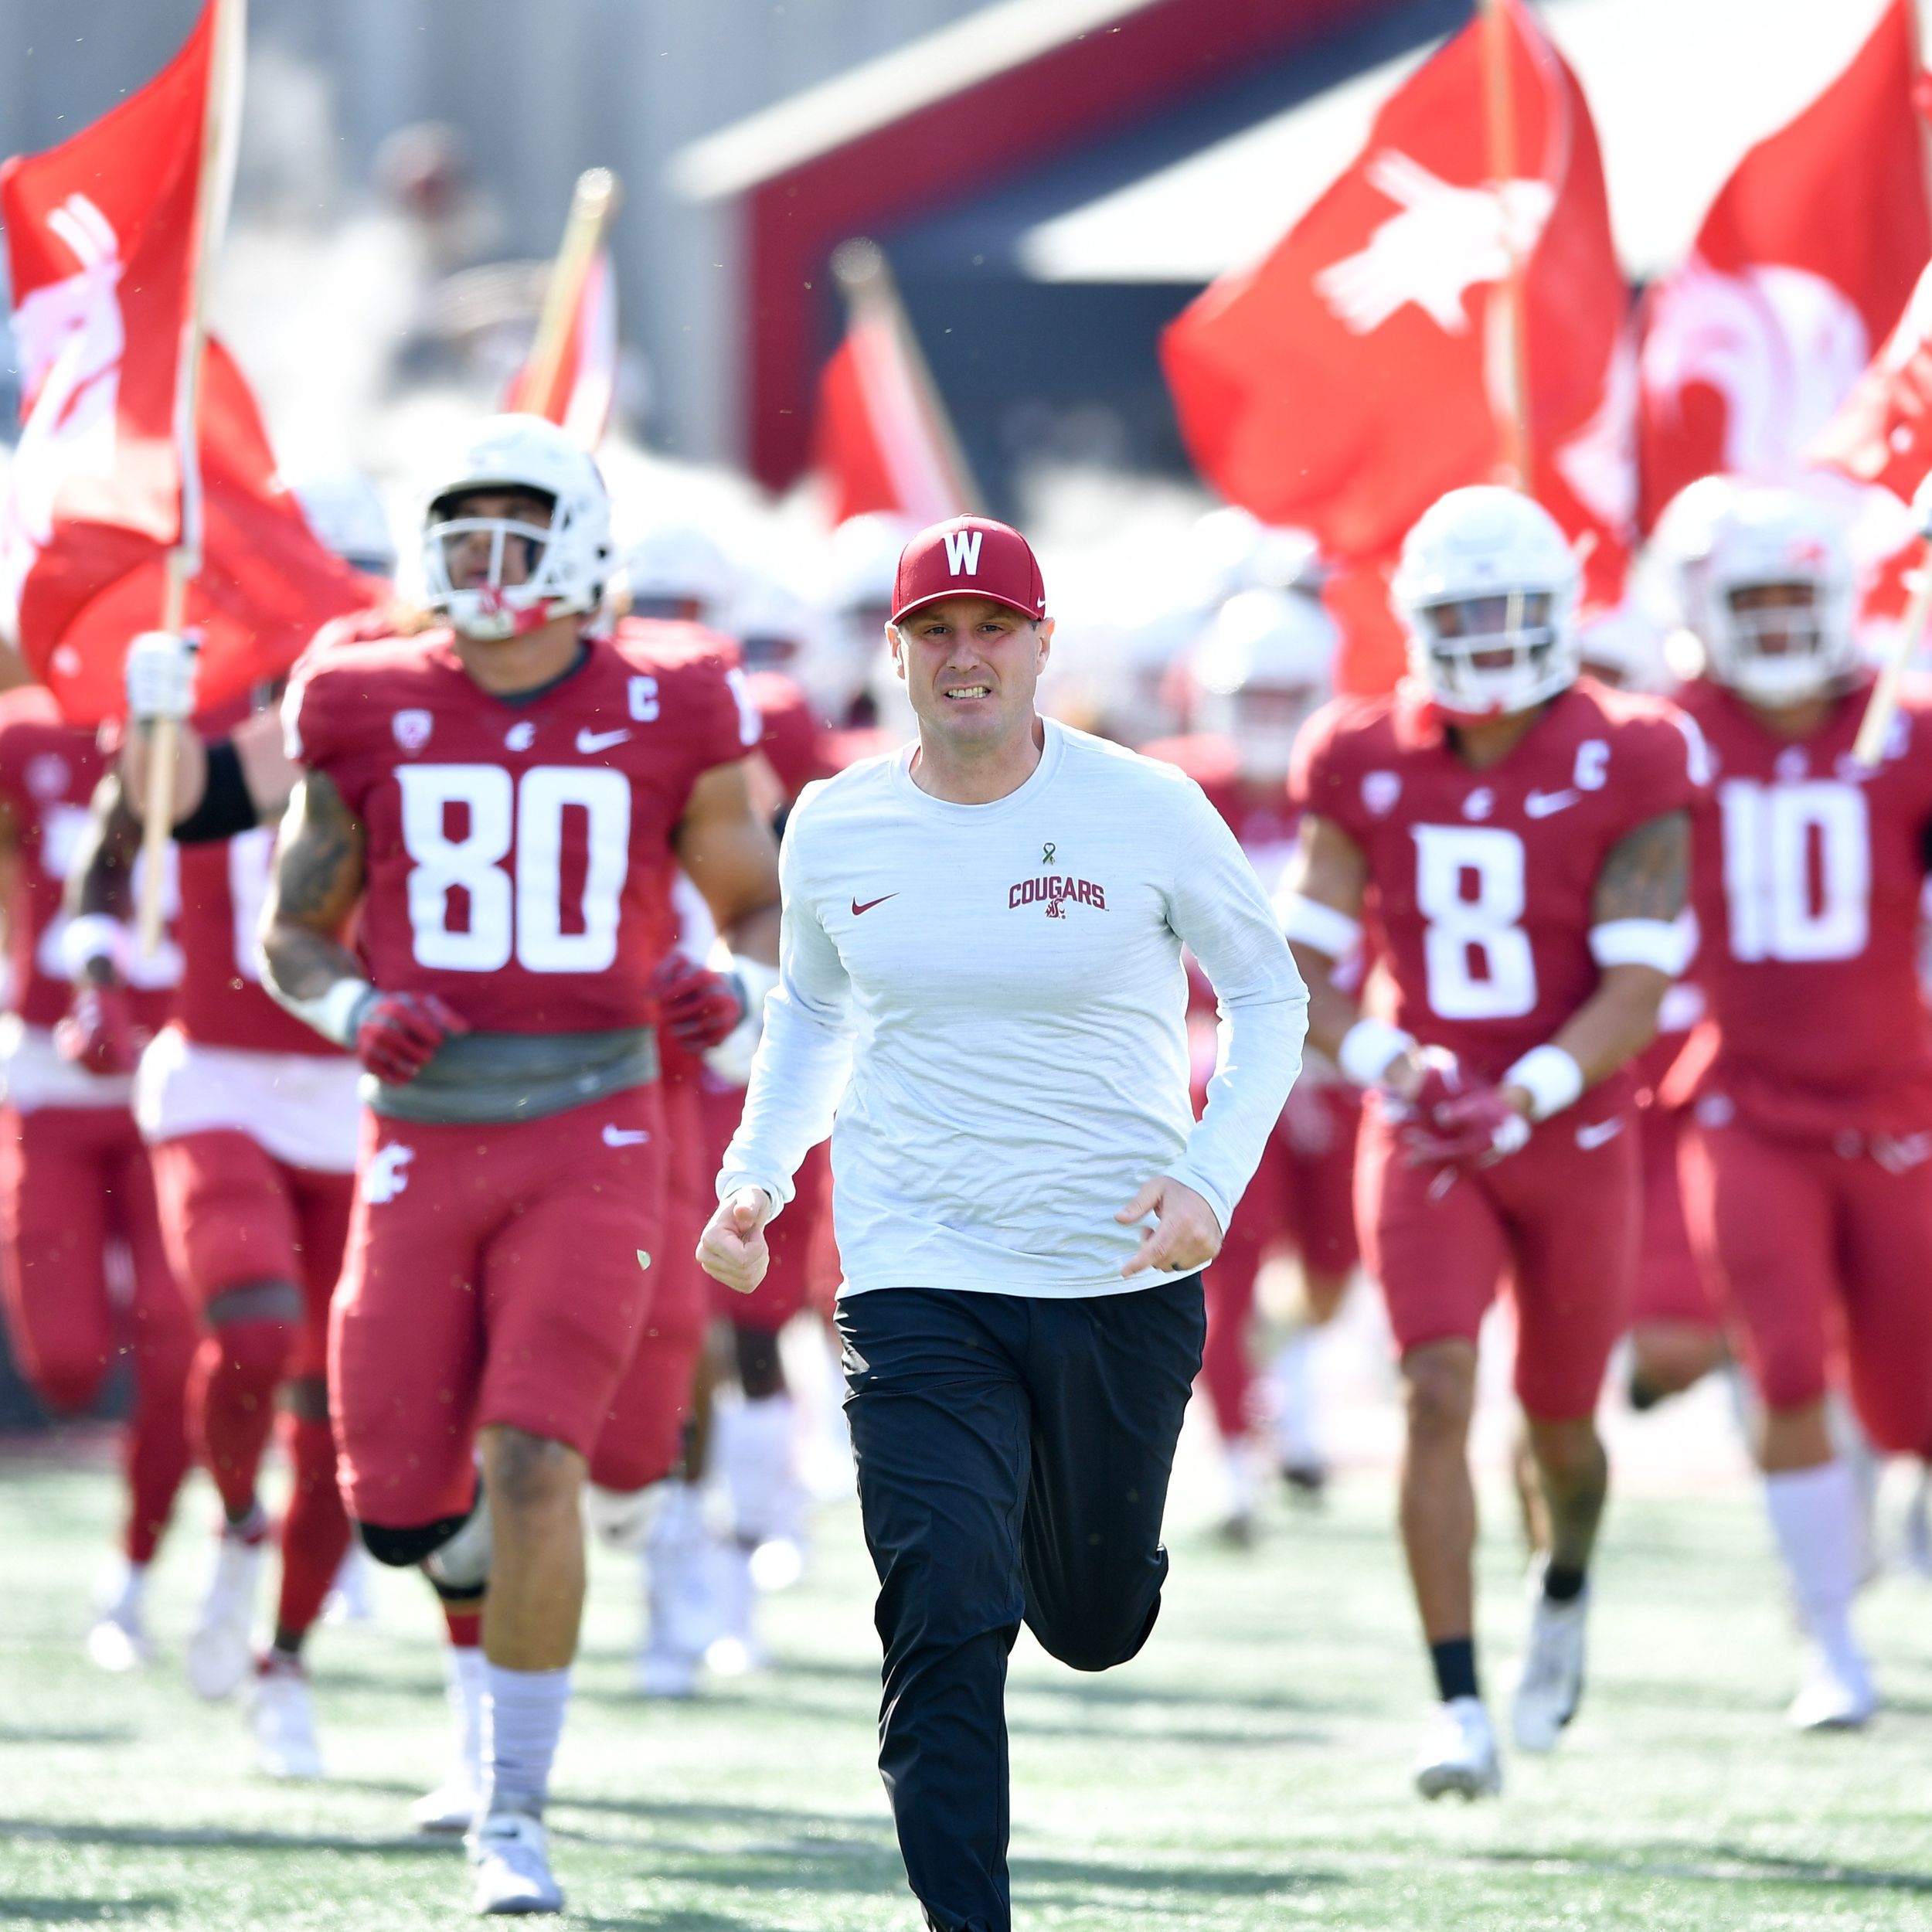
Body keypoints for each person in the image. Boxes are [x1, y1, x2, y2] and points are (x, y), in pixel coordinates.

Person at [697, 513, 1304, 1932]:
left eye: (992, 630)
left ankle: (1067, 1555)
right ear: (894, 655)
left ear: (1043, 648)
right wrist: (757, 1174)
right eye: (935, 634)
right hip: (916, 1273)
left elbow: (1269, 998)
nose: (965, 658)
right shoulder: (837, 824)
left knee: (1091, 1625)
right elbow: (816, 1013)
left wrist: (1209, 1178)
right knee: (943, 1601)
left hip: (1116, 1273)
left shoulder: (1147, 805)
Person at [259, 414, 780, 1917]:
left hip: (596, 1122)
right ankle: (478, 1650)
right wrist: (354, 1000)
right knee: (400, 1499)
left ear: (582, 546)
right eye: (458, 529)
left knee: (536, 1454)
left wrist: (735, 993)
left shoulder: (670, 696)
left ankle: (514, 1813)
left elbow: (755, 903)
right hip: (421, 1130)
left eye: (516, 528)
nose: (482, 561)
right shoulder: (357, 693)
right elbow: (295, 927)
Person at [1280, 487, 1700, 1798]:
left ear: (1562, 615)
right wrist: (1393, 1063)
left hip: (1568, 1126)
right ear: (1414, 625)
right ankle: (1458, 1703)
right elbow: (1307, 962)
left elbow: (1636, 989)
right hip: (1425, 1125)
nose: (1488, 640)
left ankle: (1562, 1581)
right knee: (1435, 1388)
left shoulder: (1636, 749)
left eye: (1512, 612)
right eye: (1461, 616)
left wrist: (1520, 1092)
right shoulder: (1357, 751)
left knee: (1563, 1430)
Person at [1667, 485, 1932, 1729]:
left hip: (1899, 1108)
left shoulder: (1907, 728)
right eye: (1753, 599)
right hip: (1748, 1104)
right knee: (1782, 1365)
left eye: (1797, 597)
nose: (1777, 625)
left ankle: (1865, 1533)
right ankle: (1828, 1636)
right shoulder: (1670, 734)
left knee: (1911, 1389)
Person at [1145, 586, 1359, 1532]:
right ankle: (1236, 1460)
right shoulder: (1175, 788)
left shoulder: (1351, 787)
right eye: (1253, 696)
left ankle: (1288, 1388)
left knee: (1334, 1268)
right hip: (1215, 1061)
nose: (1269, 718)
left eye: (1287, 696)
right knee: (1223, 1267)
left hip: (1332, 1063)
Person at [0, 689, 194, 1671]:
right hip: (49, 1072)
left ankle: (134, 1567)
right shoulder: (28, 735)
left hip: (183, 1082)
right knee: (69, 1360)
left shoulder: (229, 747)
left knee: (179, 1347)